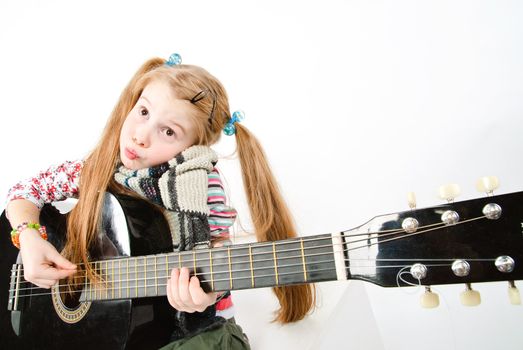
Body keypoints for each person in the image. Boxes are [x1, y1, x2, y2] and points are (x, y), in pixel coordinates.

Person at [5, 53, 315, 349]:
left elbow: (219, 251)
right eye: (143, 112)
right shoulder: (99, 169)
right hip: (116, 327)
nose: (141, 136)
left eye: (168, 131)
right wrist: (30, 237)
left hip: (193, 333)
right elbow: (23, 193)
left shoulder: (201, 186)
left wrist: (208, 292)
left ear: (192, 147)